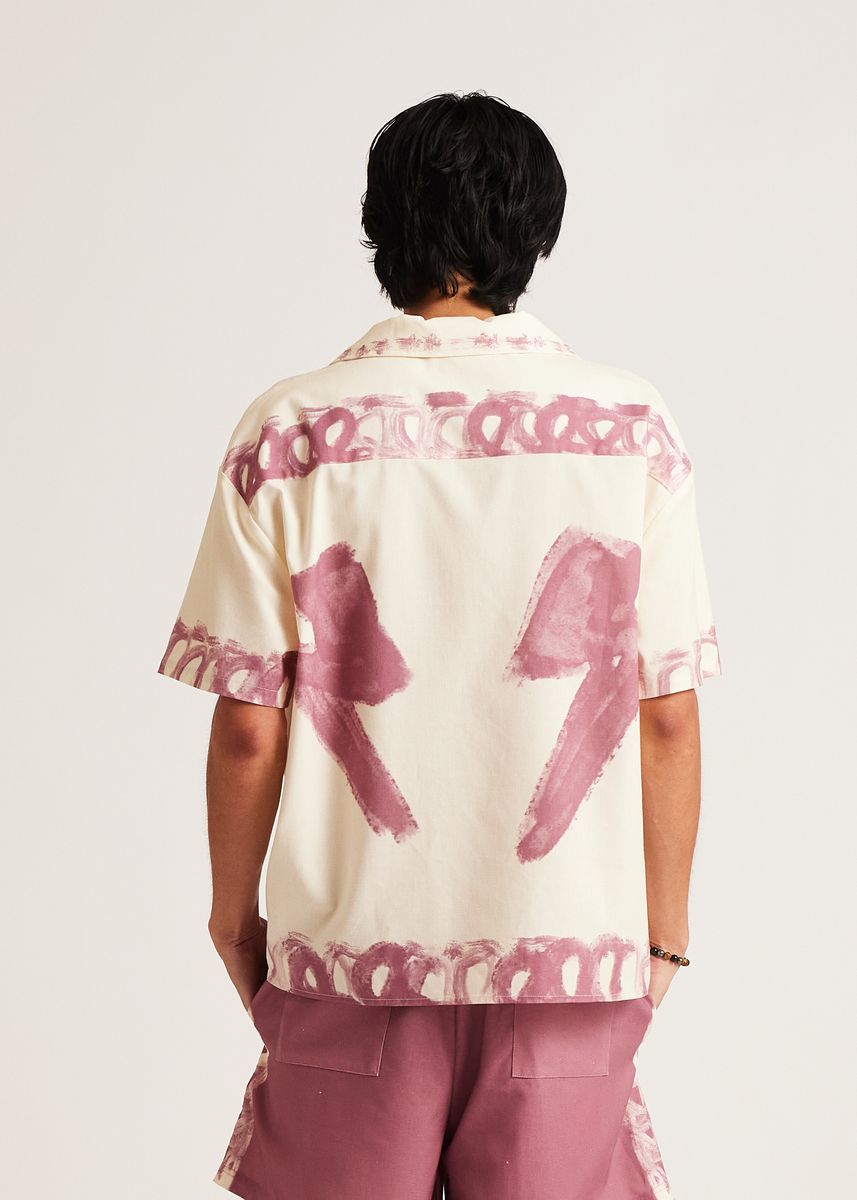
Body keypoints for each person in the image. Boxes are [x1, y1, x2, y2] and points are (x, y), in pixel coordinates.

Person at [157, 90, 722, 1200]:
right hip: (568, 963)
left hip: (349, 959)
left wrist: (233, 921)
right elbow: (665, 712)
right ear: (536, 234)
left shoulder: (292, 431)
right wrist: (660, 939)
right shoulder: (627, 428)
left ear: (381, 228)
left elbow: (247, 729)